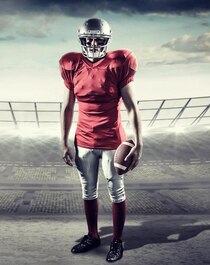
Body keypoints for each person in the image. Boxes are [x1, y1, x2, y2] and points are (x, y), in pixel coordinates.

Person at [59, 17, 142, 262]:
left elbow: (132, 108)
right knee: (88, 190)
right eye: (89, 39)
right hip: (83, 139)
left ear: (107, 40)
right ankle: (93, 235)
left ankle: (117, 241)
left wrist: (138, 142)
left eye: (99, 39)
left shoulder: (119, 62)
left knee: (116, 190)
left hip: (112, 140)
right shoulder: (71, 63)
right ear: (82, 40)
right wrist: (63, 141)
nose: (94, 43)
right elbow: (67, 106)